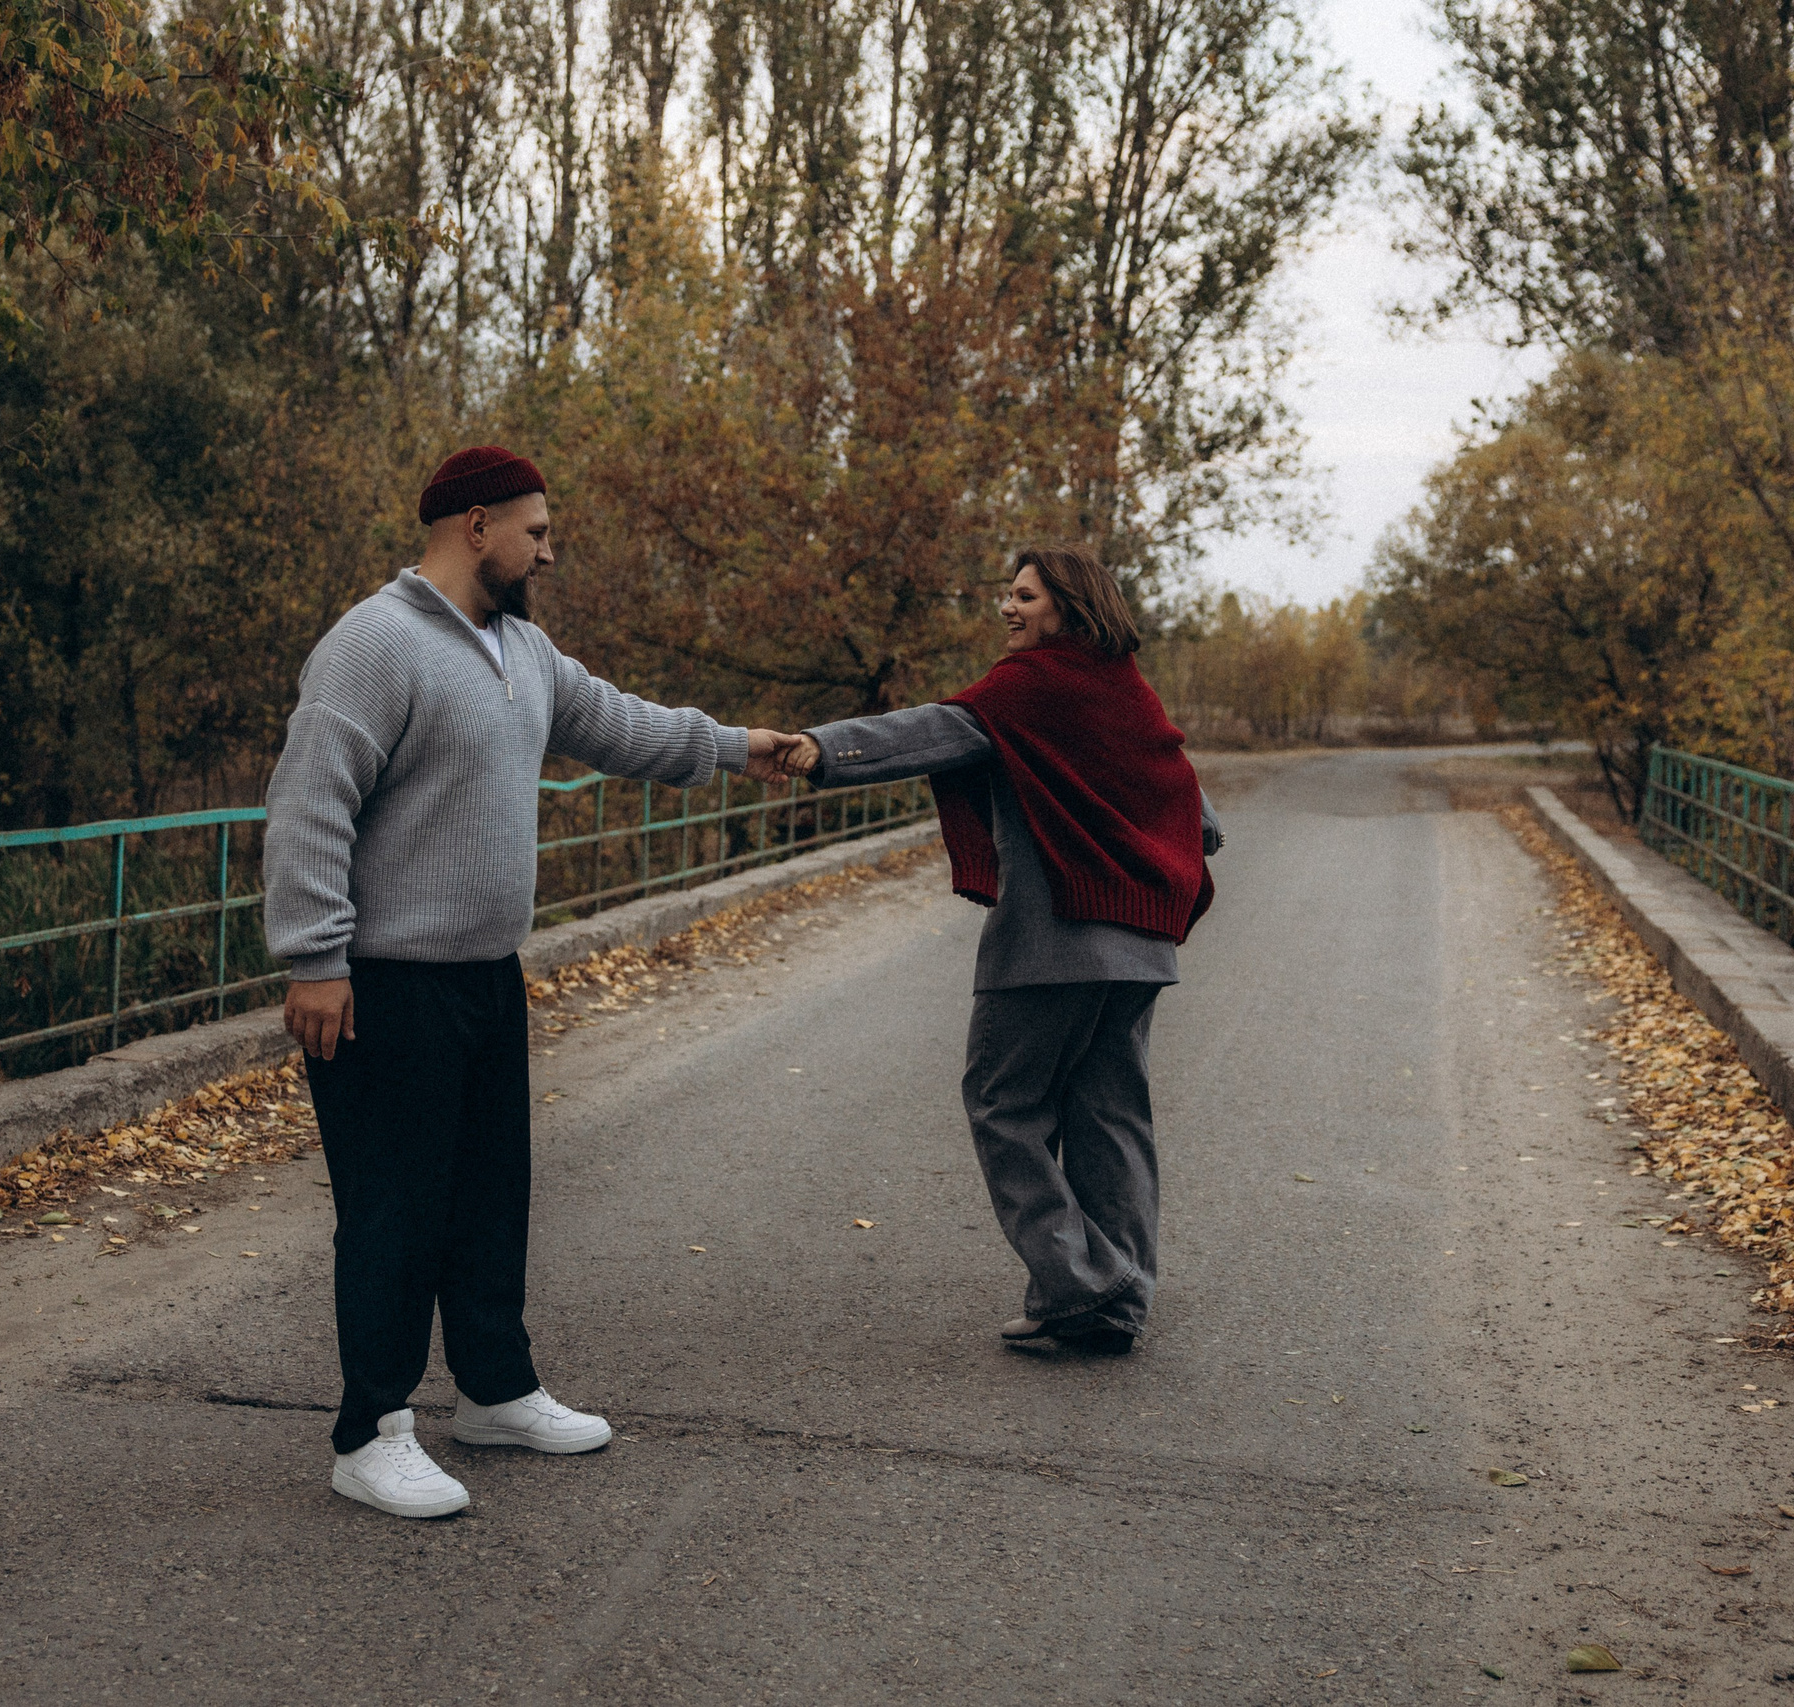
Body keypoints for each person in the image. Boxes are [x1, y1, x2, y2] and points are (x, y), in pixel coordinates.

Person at [263, 445, 797, 1519]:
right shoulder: (373, 645)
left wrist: (743, 747)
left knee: (488, 1196)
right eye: (536, 531)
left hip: (483, 977)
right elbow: (308, 806)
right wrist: (315, 960)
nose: (547, 549)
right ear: (475, 525)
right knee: (392, 1209)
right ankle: (370, 1433)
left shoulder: (520, 649)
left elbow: (624, 726)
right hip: (382, 982)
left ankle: (495, 1392)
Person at [779, 545, 1220, 1356]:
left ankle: (1083, 1283)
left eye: (1023, 595)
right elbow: (1200, 816)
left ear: (1069, 604)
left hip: (1052, 944)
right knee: (1109, 1115)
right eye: (1005, 594)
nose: (1008, 609)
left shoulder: (1030, 687)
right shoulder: (1130, 694)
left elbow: (937, 730)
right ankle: (1116, 1296)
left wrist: (823, 749)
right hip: (1142, 952)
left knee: (1004, 1104)